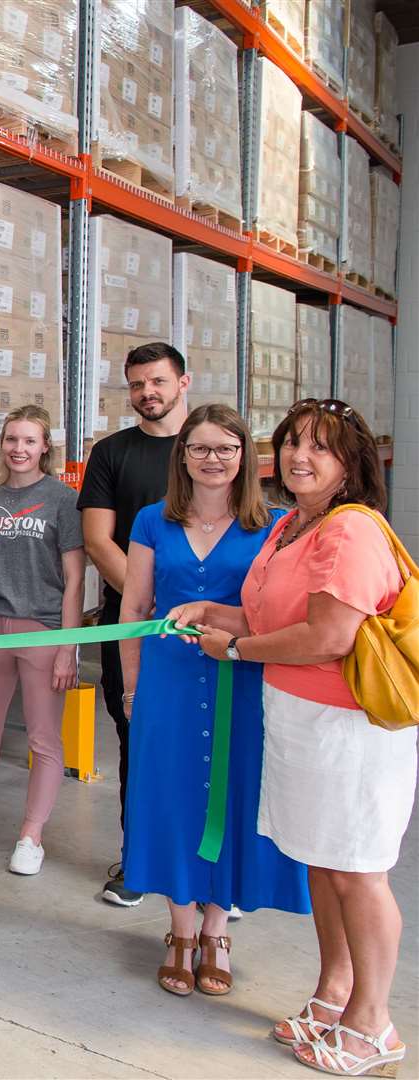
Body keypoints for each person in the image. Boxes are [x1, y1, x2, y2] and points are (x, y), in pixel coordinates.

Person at [167, 400, 409, 1075]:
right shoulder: (293, 526)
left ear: (349, 464)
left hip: (349, 728)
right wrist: (212, 611)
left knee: (357, 871)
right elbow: (268, 612)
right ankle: (334, 993)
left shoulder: (351, 531)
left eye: (319, 448)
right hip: (299, 719)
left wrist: (235, 650)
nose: (299, 456)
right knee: (325, 865)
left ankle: (373, 1023)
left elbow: (329, 635)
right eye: (292, 443)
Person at [118, 403, 308, 998]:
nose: (213, 459)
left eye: (226, 448)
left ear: (245, 457)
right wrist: (131, 684)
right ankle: (179, 929)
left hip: (242, 675)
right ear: (183, 456)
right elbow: (134, 609)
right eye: (200, 448)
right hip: (169, 681)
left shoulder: (275, 524)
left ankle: (217, 931)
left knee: (232, 795)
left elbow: (277, 612)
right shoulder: (152, 520)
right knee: (173, 795)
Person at [77, 341, 191, 907]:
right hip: (134, 627)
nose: (148, 393)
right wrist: (148, 608)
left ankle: (209, 872)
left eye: (158, 382)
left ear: (183, 383)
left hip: (207, 630)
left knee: (207, 745)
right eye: (138, 384)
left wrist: (191, 612)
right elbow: (99, 539)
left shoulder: (210, 448)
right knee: (136, 742)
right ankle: (138, 859)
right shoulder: (112, 453)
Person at [0, 406, 83, 875]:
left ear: (45, 447)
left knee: (43, 739)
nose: (19, 449)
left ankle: (31, 835)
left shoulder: (63, 500)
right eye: (11, 439)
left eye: (29, 441)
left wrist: (68, 647)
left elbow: (74, 580)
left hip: (43, 630)